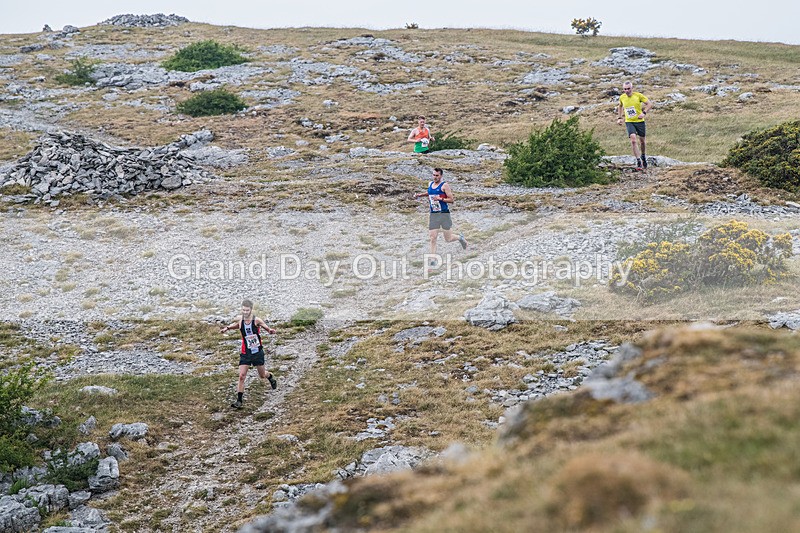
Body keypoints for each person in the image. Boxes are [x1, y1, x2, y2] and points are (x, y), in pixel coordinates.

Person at [220, 299, 278, 408]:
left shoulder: (256, 320)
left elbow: (266, 327)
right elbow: (237, 325)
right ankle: (239, 401)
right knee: (242, 376)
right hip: (245, 352)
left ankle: (270, 376)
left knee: (262, 375)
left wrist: (270, 331)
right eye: (243, 310)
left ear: (251, 310)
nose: (245, 312)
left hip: (257, 352)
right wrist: (227, 328)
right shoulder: (240, 319)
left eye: (247, 310)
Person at [413, 168, 467, 263]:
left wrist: (440, 199)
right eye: (434, 175)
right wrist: (419, 195)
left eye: (437, 175)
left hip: (444, 214)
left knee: (448, 238)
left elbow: (451, 200)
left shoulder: (444, 186)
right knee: (433, 238)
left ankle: (460, 238)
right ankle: (433, 260)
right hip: (434, 214)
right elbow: (430, 193)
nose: (435, 177)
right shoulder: (430, 184)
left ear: (441, 176)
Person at [617, 81, 653, 170]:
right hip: (629, 121)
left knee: (642, 142)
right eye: (625, 89)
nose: (627, 91)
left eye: (628, 89)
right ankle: (638, 161)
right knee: (633, 140)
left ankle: (643, 156)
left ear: (632, 88)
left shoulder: (638, 96)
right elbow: (620, 106)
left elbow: (649, 104)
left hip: (639, 121)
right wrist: (619, 118)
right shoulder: (622, 97)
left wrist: (644, 113)